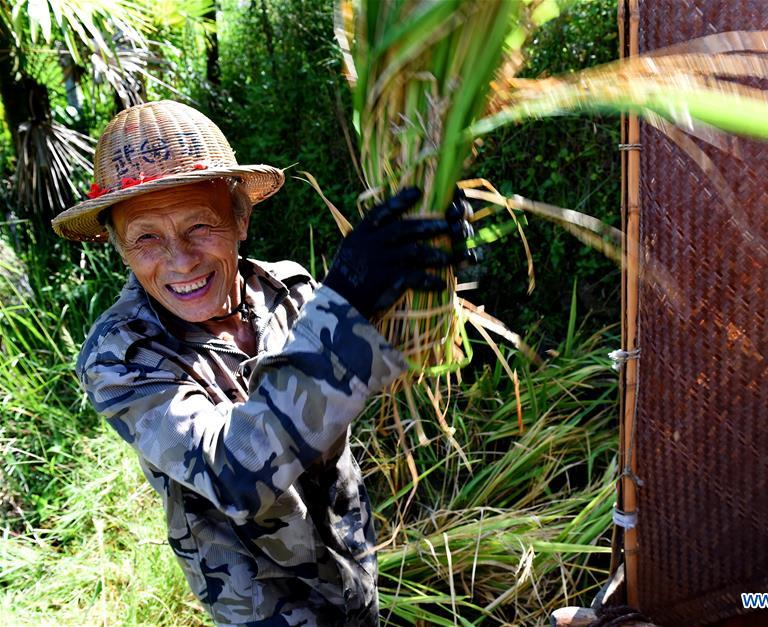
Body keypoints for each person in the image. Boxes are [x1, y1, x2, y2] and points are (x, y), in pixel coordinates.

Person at [51, 100, 474, 626]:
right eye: (147, 239)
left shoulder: (288, 289)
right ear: (119, 248)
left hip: (352, 564)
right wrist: (347, 298)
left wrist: (419, 267)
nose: (181, 261)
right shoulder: (121, 353)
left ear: (240, 217)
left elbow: (369, 373)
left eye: (199, 226)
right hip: (260, 606)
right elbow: (237, 474)